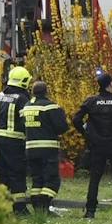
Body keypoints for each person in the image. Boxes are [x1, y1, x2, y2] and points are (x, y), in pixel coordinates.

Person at [73, 68, 112, 219]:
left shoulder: (91, 101)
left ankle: (90, 210)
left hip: (97, 145)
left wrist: (87, 134)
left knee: (95, 178)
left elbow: (76, 120)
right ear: (109, 85)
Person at [0, 65, 33, 216]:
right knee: (17, 173)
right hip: (15, 143)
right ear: (24, 82)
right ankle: (19, 208)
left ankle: (1, 206)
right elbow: (26, 122)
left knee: (2, 173)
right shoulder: (23, 99)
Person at [22, 79, 70, 214]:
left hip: (30, 149)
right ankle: (44, 205)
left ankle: (38, 208)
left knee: (37, 179)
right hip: (48, 149)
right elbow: (62, 127)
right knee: (52, 180)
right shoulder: (50, 107)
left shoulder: (26, 107)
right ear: (46, 91)